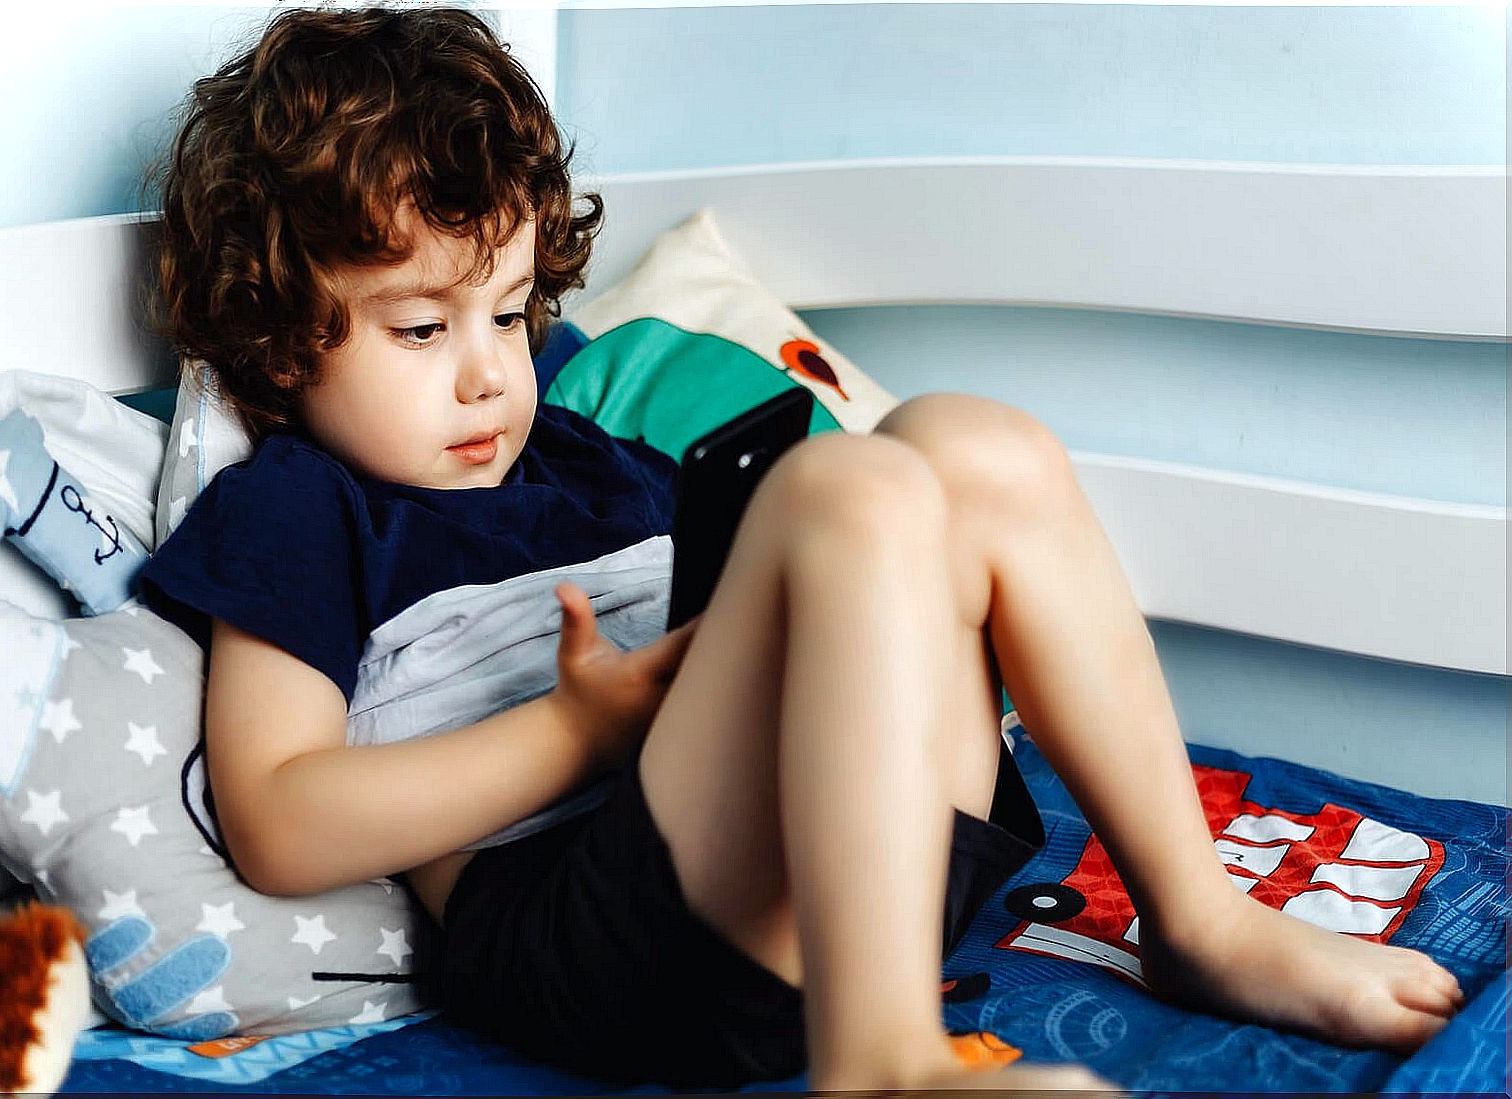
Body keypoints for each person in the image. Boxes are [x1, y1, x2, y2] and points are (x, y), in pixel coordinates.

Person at [141, 7, 1464, 1093]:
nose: (492, 378)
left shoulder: (588, 453)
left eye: (512, 312)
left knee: (968, 443)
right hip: (607, 941)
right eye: (423, 332)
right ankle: (883, 1063)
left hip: (844, 873)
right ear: (270, 339)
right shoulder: (301, 507)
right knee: (850, 490)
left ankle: (1196, 916)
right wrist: (577, 737)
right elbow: (279, 822)